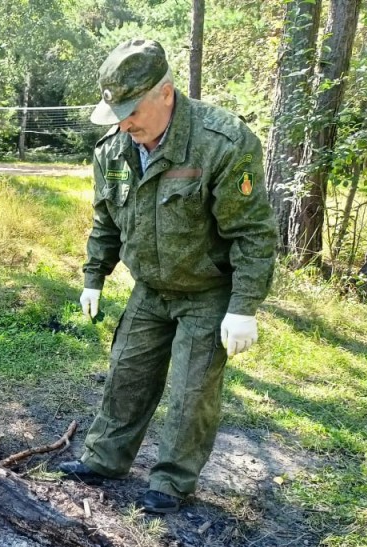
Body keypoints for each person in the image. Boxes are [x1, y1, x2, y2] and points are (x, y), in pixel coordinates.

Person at [58, 39, 277, 513]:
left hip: (206, 291)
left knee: (190, 392)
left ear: (166, 94)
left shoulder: (221, 142)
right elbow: (106, 220)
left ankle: (171, 482)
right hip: (151, 288)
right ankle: (104, 458)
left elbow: (253, 233)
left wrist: (243, 307)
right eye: (116, 112)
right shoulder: (114, 150)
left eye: (131, 110)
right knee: (127, 375)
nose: (124, 122)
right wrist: (94, 275)